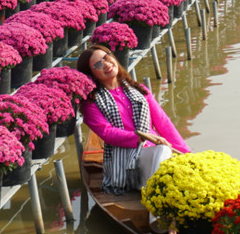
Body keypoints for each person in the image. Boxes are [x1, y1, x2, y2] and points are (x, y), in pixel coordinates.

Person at [76, 44, 190, 194]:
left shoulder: (138, 89)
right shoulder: (91, 103)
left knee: (171, 160)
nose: (106, 64)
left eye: (106, 57)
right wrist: (138, 137)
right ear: (91, 74)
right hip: (126, 159)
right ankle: (154, 207)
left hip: (154, 150)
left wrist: (187, 155)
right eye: (98, 64)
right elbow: (107, 133)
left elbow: (163, 123)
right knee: (163, 152)